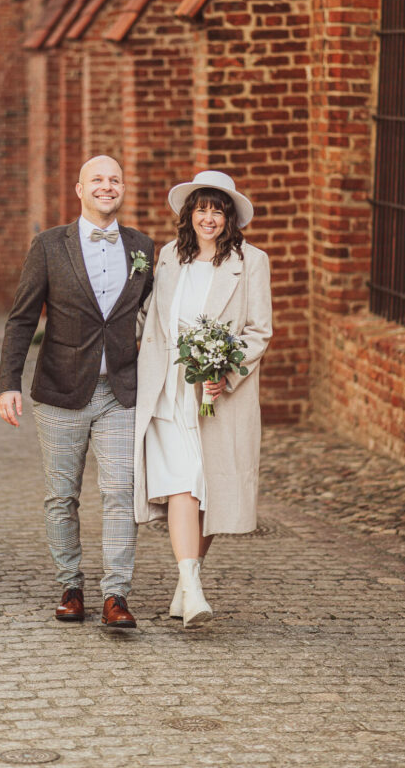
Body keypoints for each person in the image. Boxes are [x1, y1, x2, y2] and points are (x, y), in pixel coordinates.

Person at [0, 156, 154, 629]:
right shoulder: (48, 246)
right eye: (97, 180)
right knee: (61, 496)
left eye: (115, 180)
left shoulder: (143, 247)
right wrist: (8, 383)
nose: (107, 187)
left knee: (121, 493)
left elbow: (156, 317)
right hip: (61, 391)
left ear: (123, 188)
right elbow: (22, 317)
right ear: (79, 189)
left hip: (121, 391)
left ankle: (116, 595)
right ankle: (71, 586)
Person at [134, 171, 272, 628]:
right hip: (168, 387)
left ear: (229, 216)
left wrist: (224, 372)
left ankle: (185, 586)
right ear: (189, 214)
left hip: (216, 394)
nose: (208, 217)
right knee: (183, 482)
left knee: (208, 489)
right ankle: (192, 590)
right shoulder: (170, 256)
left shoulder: (251, 262)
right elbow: (151, 318)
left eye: (217, 209)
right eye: (201, 208)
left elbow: (258, 331)